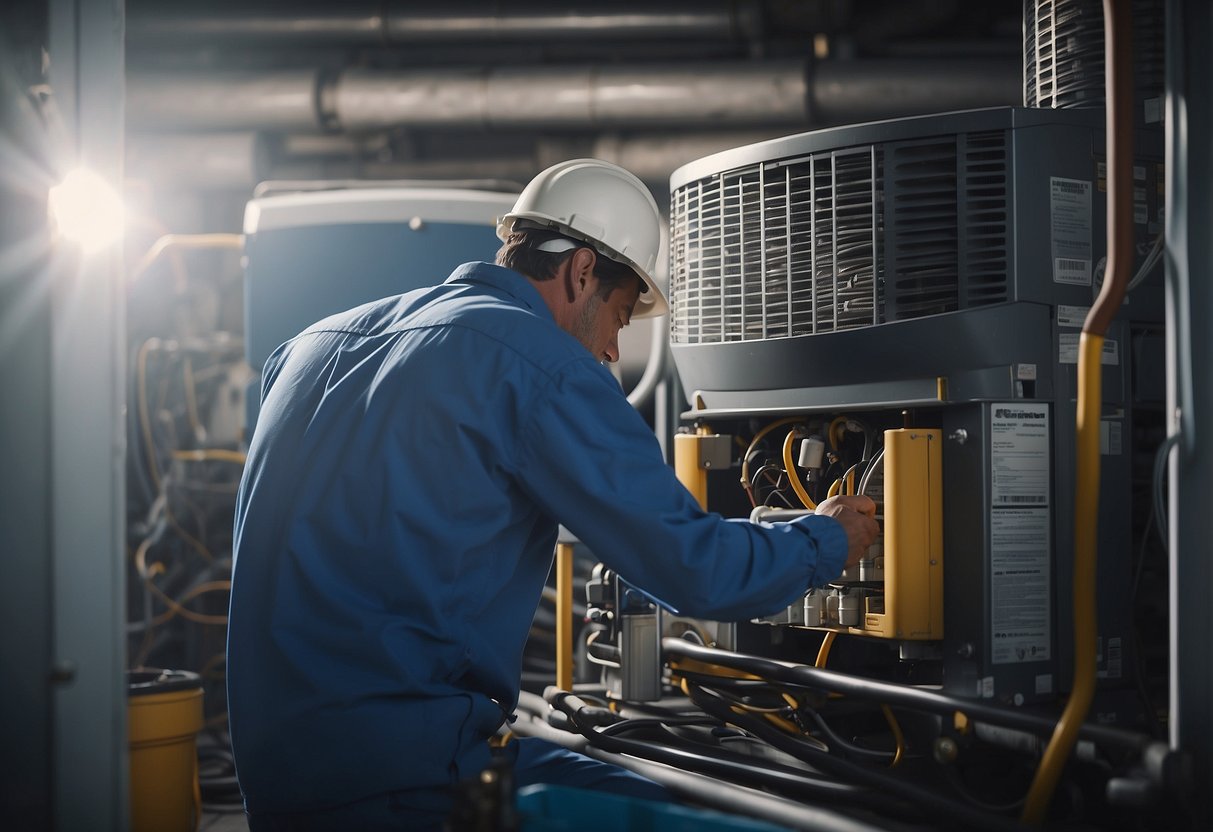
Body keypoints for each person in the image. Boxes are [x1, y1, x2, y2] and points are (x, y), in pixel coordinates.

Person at [227, 158, 880, 830]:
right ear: (580, 274)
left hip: (280, 784)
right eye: (621, 318)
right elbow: (696, 568)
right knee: (723, 816)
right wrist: (821, 538)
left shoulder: (311, 344)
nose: (611, 352)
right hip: (407, 782)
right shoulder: (538, 364)